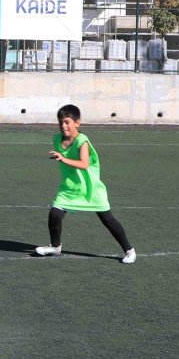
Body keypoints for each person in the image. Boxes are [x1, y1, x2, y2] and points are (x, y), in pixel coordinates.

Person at [35, 104, 136, 264]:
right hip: (69, 188)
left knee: (107, 219)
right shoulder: (56, 139)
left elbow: (84, 164)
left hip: (91, 188)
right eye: (61, 122)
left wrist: (63, 158)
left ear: (77, 123)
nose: (63, 125)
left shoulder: (82, 141)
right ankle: (55, 247)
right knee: (55, 214)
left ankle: (129, 251)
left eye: (67, 122)